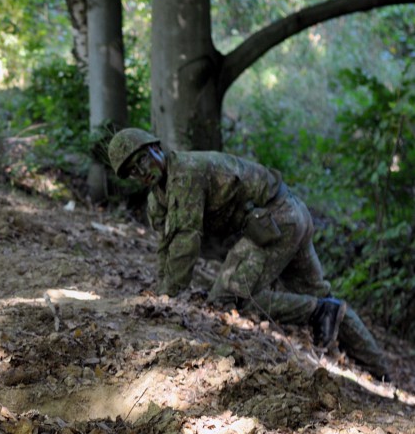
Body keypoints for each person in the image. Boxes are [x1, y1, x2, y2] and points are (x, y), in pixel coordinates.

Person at [108, 127, 388, 378]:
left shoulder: (185, 173)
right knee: (322, 295)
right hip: (287, 214)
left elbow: (185, 240)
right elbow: (165, 245)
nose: (141, 172)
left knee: (229, 300)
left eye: (142, 160)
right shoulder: (159, 195)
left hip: (276, 220)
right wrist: (161, 291)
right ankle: (381, 372)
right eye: (133, 171)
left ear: (156, 148)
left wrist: (167, 297)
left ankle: (318, 312)